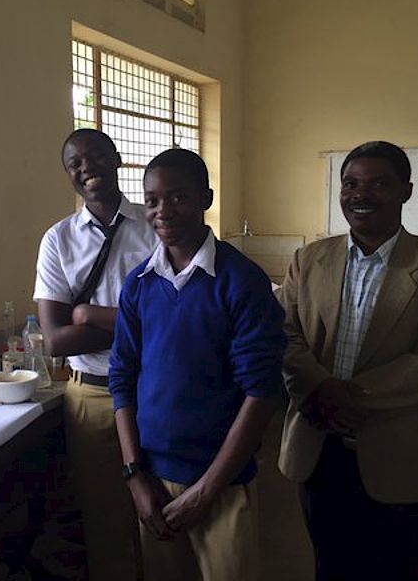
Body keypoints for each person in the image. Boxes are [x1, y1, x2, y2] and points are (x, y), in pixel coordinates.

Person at [278, 140, 418, 581]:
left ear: (406, 191)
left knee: (405, 570)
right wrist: (318, 388)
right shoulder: (309, 260)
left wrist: (344, 397)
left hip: (402, 458)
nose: (360, 195)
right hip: (319, 446)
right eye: (350, 184)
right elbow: (286, 334)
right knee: (332, 565)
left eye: (379, 184)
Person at [109, 148, 286, 581]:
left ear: (206, 198)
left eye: (178, 197)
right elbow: (122, 377)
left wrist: (206, 491)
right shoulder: (139, 284)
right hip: (154, 480)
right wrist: (135, 476)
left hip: (222, 483)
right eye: (152, 200)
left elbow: (261, 392)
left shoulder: (241, 281)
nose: (163, 211)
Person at [33, 128, 157, 581]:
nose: (88, 168)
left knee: (163, 505)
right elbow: (55, 341)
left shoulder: (155, 223)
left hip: (155, 387)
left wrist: (87, 315)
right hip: (91, 397)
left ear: (117, 158)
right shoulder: (58, 240)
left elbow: (177, 319)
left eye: (97, 156)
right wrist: (141, 326)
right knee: (104, 518)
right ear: (68, 173)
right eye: (75, 163)